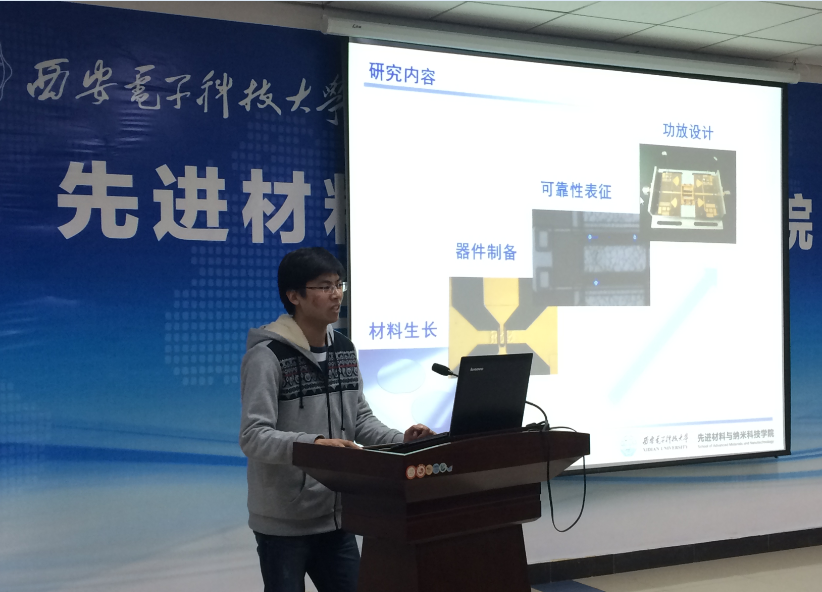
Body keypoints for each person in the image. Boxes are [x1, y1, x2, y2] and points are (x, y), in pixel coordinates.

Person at [239, 247, 434, 592]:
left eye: (339, 284)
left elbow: (360, 420)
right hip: (283, 524)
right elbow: (253, 436)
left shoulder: (344, 349)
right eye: (324, 286)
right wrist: (314, 445)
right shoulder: (267, 356)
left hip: (337, 516)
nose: (336, 294)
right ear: (294, 296)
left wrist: (401, 441)